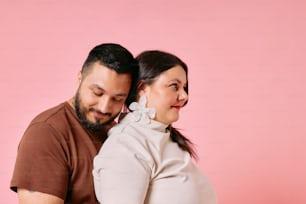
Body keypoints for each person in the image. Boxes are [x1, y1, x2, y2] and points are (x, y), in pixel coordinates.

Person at [10, 43, 138, 203]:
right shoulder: (46, 132)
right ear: (80, 78)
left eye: (117, 99)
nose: (104, 107)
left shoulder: (117, 133)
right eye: (97, 93)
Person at [93, 50, 217, 204]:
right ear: (143, 88)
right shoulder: (126, 145)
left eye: (184, 87)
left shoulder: (166, 138)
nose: (184, 96)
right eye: (174, 86)